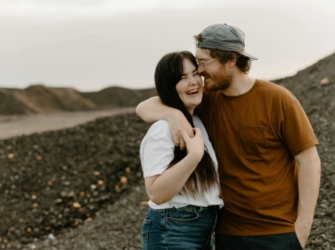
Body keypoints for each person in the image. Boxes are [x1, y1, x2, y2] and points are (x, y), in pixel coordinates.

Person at [136, 24, 321, 250]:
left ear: (231, 60)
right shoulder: (207, 100)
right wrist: (173, 115)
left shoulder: (278, 99)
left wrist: (303, 226)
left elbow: (309, 161)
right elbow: (144, 107)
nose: (200, 72)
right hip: (227, 233)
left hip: (277, 230)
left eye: (203, 62)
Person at [139, 51, 224, 250]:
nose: (193, 81)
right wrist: (194, 156)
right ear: (169, 86)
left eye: (195, 74)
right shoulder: (162, 129)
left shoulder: (196, 120)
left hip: (200, 227)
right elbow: (156, 193)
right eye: (182, 78)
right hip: (173, 228)